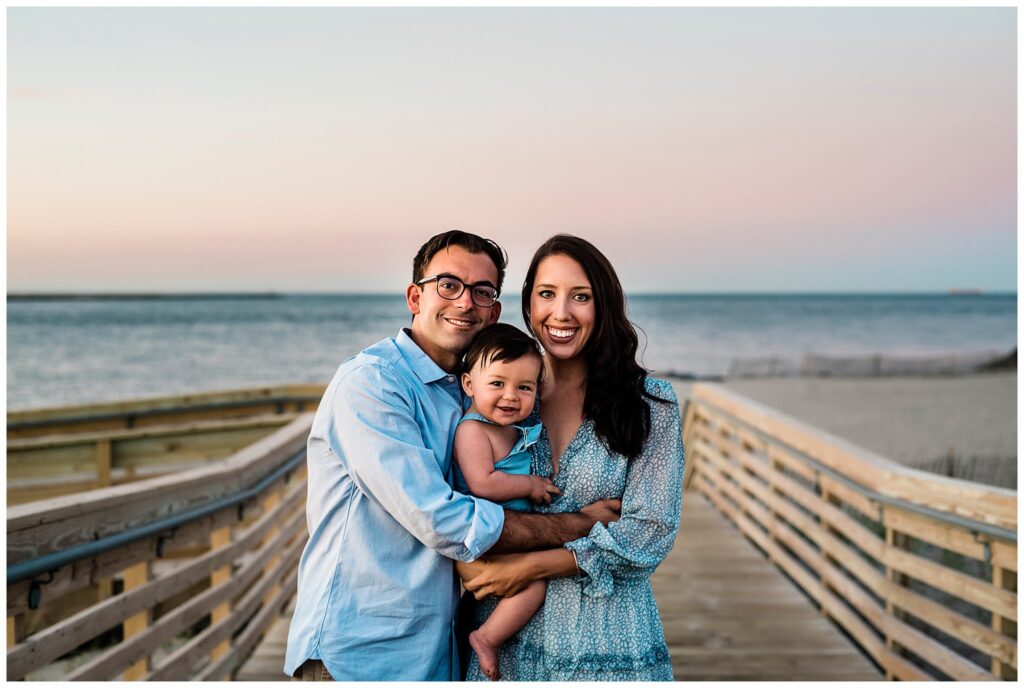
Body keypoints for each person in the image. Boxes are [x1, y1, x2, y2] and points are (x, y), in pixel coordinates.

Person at [283, 230, 621, 681]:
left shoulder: (470, 393)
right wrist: (579, 524)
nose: (465, 303)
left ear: (495, 311)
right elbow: (441, 519)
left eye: (482, 291)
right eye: (448, 285)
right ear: (414, 296)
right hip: (358, 652)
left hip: (435, 650)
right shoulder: (373, 385)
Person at [461, 234, 686, 681]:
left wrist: (534, 565)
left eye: (580, 297)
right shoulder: (503, 399)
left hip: (609, 640)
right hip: (504, 648)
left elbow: (650, 532)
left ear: (602, 305)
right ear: (527, 306)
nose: (560, 313)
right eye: (547, 294)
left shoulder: (649, 404)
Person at [451, 323, 559, 681]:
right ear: (469, 385)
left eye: (524, 387)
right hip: (487, 537)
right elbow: (483, 483)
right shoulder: (473, 430)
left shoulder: (514, 427)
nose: (510, 396)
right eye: (497, 383)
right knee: (534, 585)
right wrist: (530, 485)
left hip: (512, 533)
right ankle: (486, 638)